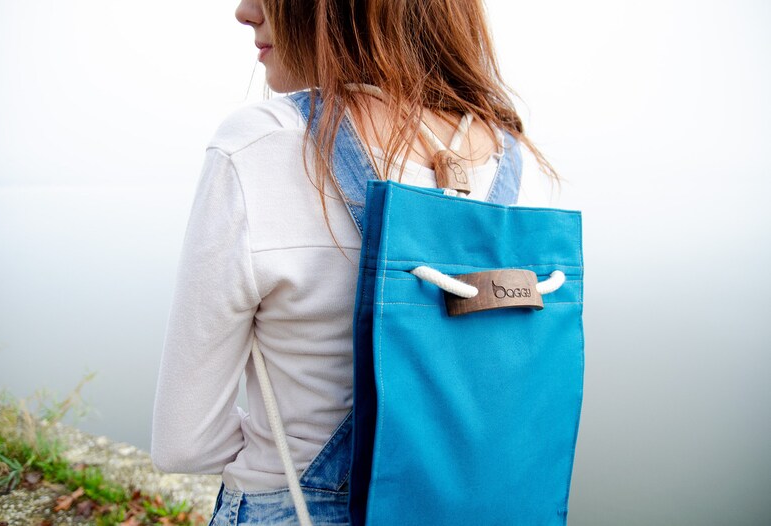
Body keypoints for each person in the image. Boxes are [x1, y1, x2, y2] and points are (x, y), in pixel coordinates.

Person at [151, 0, 557, 524]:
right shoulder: (520, 159)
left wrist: (287, 456)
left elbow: (185, 443)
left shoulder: (261, 144)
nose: (244, 11)